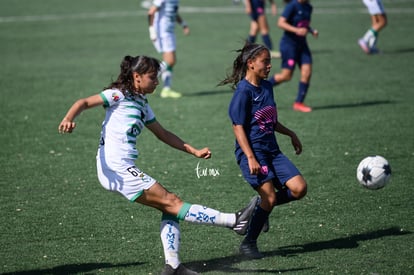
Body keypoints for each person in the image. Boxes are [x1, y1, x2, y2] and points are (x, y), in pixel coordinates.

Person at [58, 55, 258, 275]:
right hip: (117, 169)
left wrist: (193, 150)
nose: (157, 82)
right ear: (136, 77)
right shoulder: (119, 95)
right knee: (173, 201)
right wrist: (69, 118)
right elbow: (83, 103)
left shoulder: (142, 104)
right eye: (152, 77)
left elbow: (162, 133)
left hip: (120, 168)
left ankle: (173, 265)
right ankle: (234, 221)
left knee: (169, 207)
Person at [218, 43, 308, 259]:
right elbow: (238, 126)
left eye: (270, 61)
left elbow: (269, 119)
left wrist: (290, 133)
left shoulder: (266, 87)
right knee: (269, 198)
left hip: (272, 151)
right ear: (250, 63)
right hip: (253, 153)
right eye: (265, 61)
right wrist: (250, 157)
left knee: (299, 189)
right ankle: (248, 243)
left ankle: (260, 207)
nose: (269, 66)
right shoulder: (243, 91)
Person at [268, 0, 318, 113]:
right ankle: (260, 87)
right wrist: (297, 30)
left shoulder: (309, 7)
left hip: (302, 45)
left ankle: (298, 103)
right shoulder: (292, 6)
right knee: (286, 76)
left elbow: (303, 24)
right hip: (289, 45)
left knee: (307, 72)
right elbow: (280, 23)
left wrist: (311, 30)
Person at [148, 0, 189, 98]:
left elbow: (173, 13)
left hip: (169, 32)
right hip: (162, 33)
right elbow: (151, 12)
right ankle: (147, 79)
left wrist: (183, 24)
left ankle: (166, 89)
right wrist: (152, 31)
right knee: (170, 61)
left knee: (169, 63)